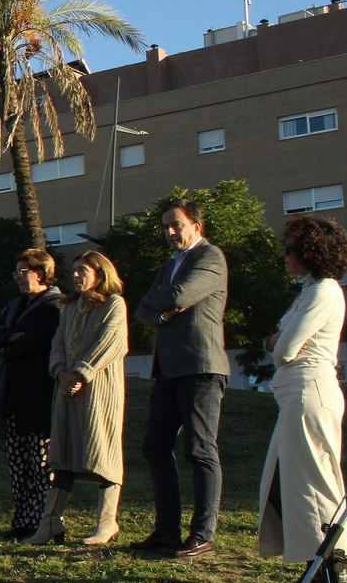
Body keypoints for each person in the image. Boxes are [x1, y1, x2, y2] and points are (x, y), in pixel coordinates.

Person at [259, 215, 347, 583]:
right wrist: (276, 340)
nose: (285, 254)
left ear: (313, 252)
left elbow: (283, 349)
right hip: (297, 395)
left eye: (292, 248)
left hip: (308, 393)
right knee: (294, 484)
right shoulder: (310, 291)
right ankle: (317, 572)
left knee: (317, 486)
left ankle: (337, 579)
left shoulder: (323, 293)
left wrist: (274, 339)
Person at [132, 198, 230, 557]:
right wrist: (162, 312)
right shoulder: (168, 265)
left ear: (197, 227)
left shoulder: (210, 257)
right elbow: (142, 309)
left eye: (177, 225)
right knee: (155, 446)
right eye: (166, 227)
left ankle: (203, 534)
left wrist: (164, 298)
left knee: (200, 449)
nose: (171, 233)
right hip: (167, 371)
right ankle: (166, 532)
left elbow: (180, 294)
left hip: (201, 368)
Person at [30, 251, 129, 545]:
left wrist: (82, 374)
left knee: (103, 453)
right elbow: (57, 343)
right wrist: (61, 373)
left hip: (99, 392)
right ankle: (50, 524)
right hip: (66, 391)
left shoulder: (114, 304)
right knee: (61, 454)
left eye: (82, 270)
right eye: (74, 270)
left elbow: (111, 343)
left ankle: (107, 523)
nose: (76, 276)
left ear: (100, 273)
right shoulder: (69, 307)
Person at [0, 248, 65, 539]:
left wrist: (11, 341)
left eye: (24, 272)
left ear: (41, 273)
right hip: (13, 394)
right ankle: (22, 520)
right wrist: (10, 338)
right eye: (16, 272)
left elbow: (35, 342)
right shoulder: (15, 305)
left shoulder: (55, 306)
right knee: (19, 463)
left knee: (40, 462)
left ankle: (44, 522)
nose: (18, 278)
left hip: (40, 394)